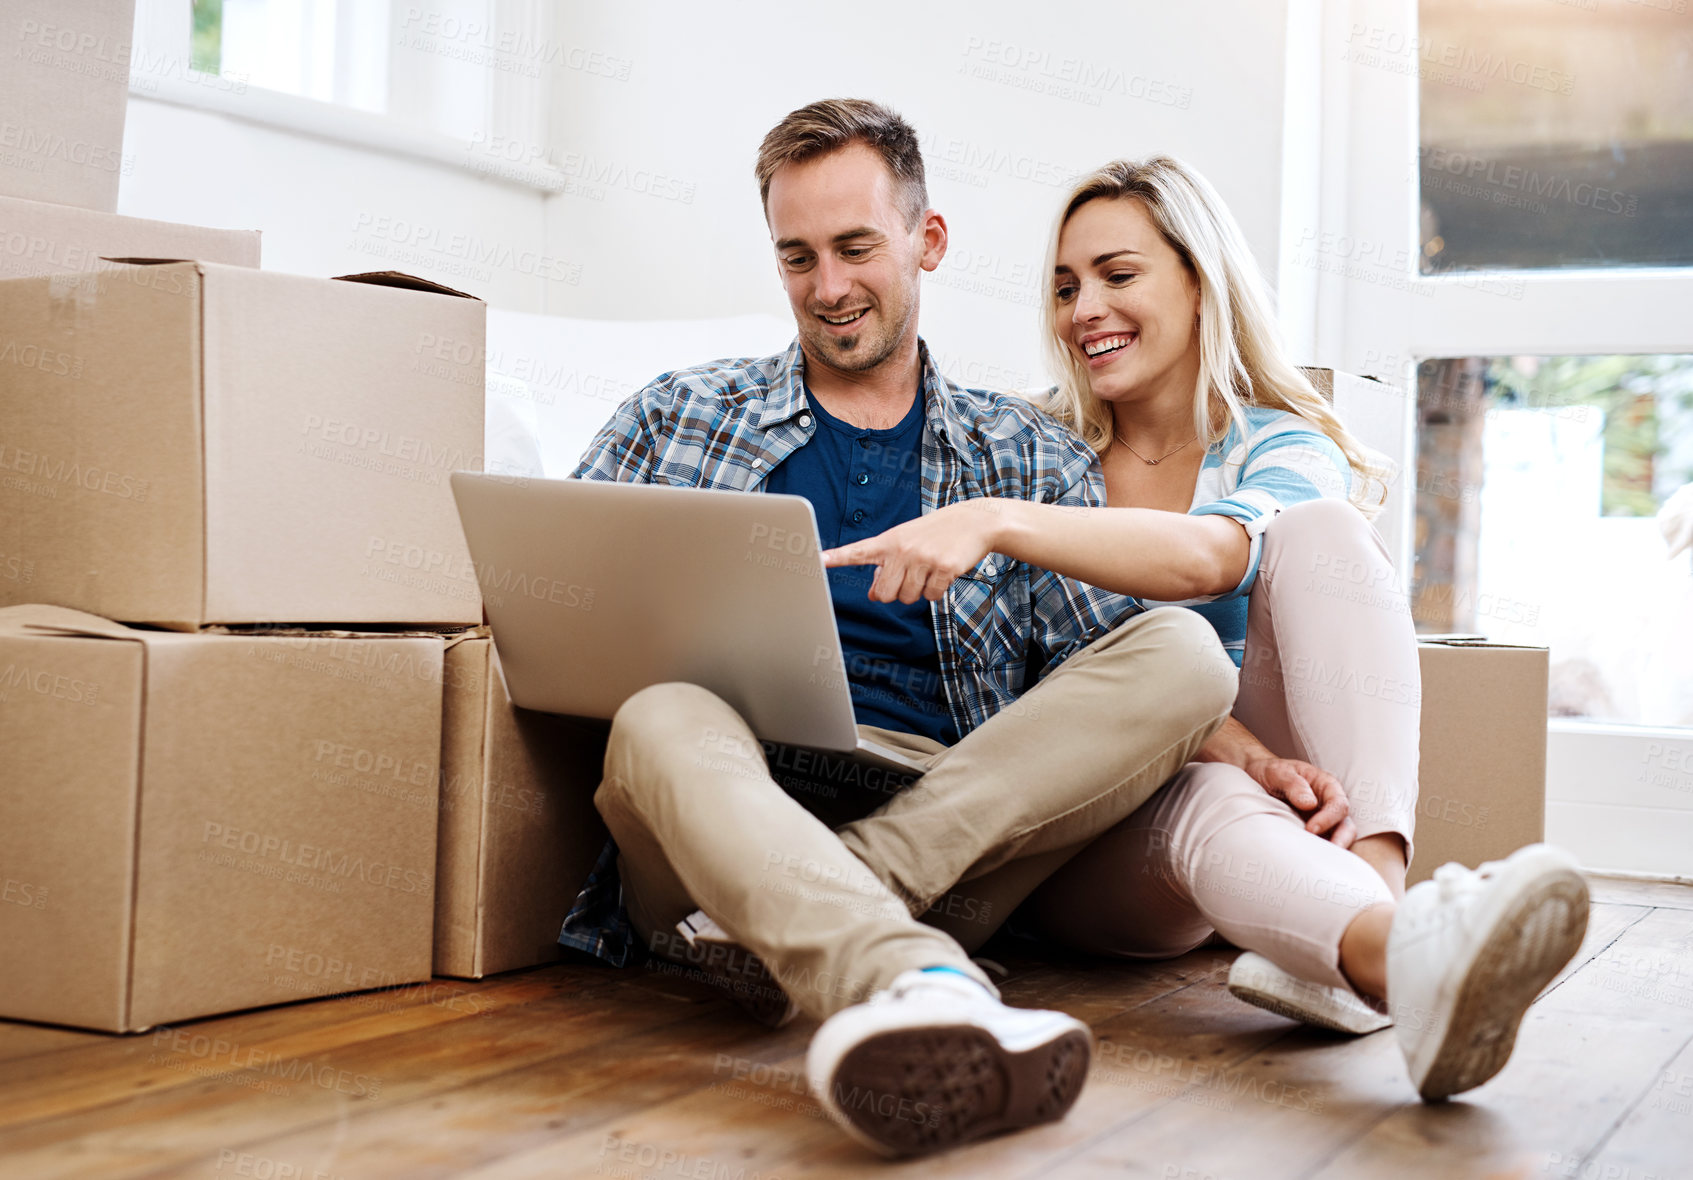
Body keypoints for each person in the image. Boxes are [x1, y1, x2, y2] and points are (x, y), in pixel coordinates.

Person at [823, 155, 1592, 1101]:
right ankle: (1403, 952)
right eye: (1066, 287)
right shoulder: (1034, 449)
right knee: (1200, 791)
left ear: (1198, 282)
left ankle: (1379, 919)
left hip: (1298, 812)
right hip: (1100, 839)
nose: (1082, 310)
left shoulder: (1277, 442)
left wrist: (992, 519)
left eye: (1118, 274)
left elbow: (1208, 558)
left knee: (1320, 531)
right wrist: (1228, 749)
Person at [556, 103, 1240, 1156]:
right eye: (797, 256)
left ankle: (812, 923)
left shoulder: (1023, 455)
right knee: (657, 715)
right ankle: (908, 976)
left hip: (943, 826)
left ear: (928, 242)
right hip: (712, 817)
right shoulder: (677, 414)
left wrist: (1257, 757)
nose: (828, 287)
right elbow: (548, 608)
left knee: (1185, 651)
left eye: (855, 247)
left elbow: (1107, 674)